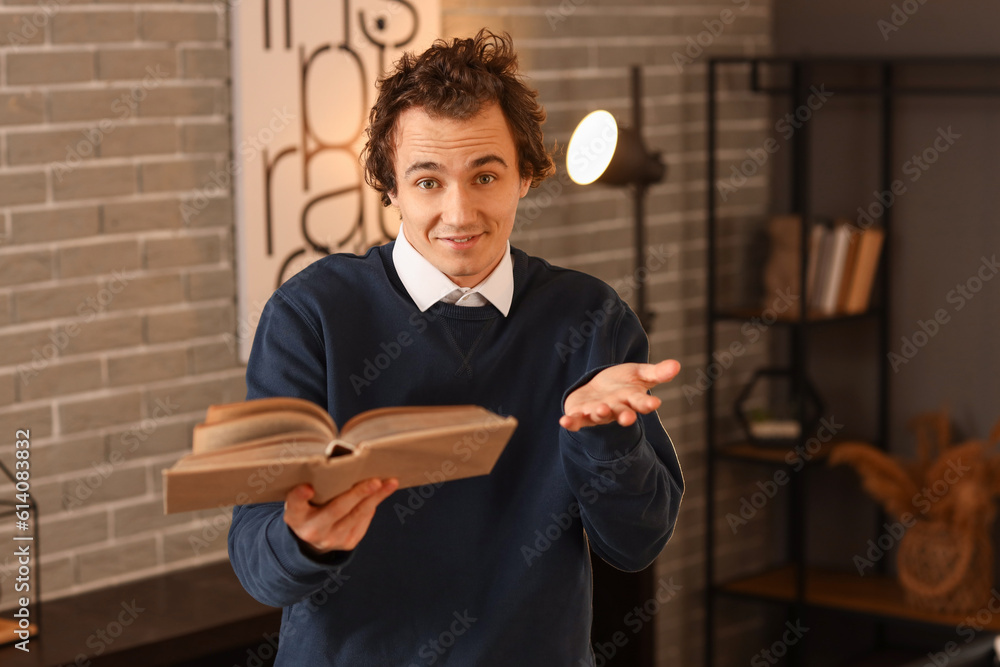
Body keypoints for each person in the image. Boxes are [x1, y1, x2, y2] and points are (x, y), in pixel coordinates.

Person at [228, 28, 684, 666]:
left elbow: (637, 544)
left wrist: (603, 438)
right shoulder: (310, 316)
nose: (460, 212)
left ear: (525, 176)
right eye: (427, 182)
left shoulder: (589, 317)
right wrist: (301, 540)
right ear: (389, 187)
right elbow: (257, 563)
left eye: (485, 175)